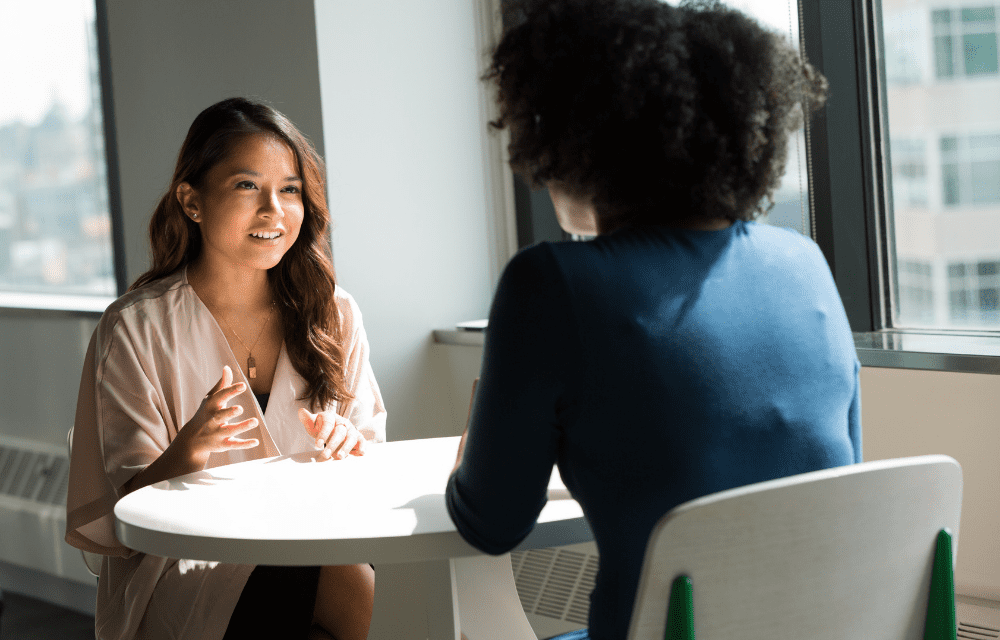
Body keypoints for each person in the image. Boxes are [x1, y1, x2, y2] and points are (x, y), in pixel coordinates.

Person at [445, 1, 860, 639]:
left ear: (573, 140)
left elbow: (491, 524)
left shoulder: (552, 284)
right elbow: (840, 480)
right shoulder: (804, 263)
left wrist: (473, 450)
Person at [65, 97, 386, 640]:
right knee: (347, 578)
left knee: (348, 573)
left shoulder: (333, 313)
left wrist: (348, 444)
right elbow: (122, 519)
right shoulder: (135, 328)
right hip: (184, 570)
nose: (273, 210)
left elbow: (373, 468)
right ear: (192, 201)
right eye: (246, 186)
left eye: (290, 190)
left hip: (317, 542)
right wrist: (185, 453)